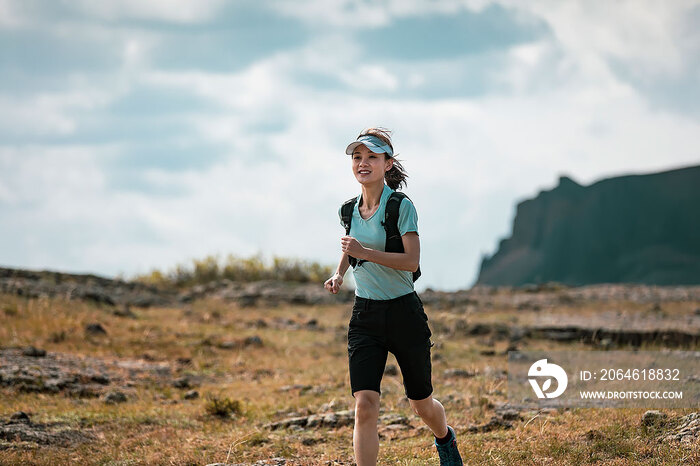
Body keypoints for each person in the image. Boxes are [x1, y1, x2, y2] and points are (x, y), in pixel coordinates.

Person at [324, 128, 463, 465]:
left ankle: (444, 439)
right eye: (357, 157)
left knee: (421, 404)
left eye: (372, 156)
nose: (363, 163)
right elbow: (351, 244)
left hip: (404, 313)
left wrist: (365, 253)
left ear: (387, 164)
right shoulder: (348, 210)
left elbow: (411, 261)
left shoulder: (401, 206)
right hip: (365, 316)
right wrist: (340, 272)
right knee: (365, 406)